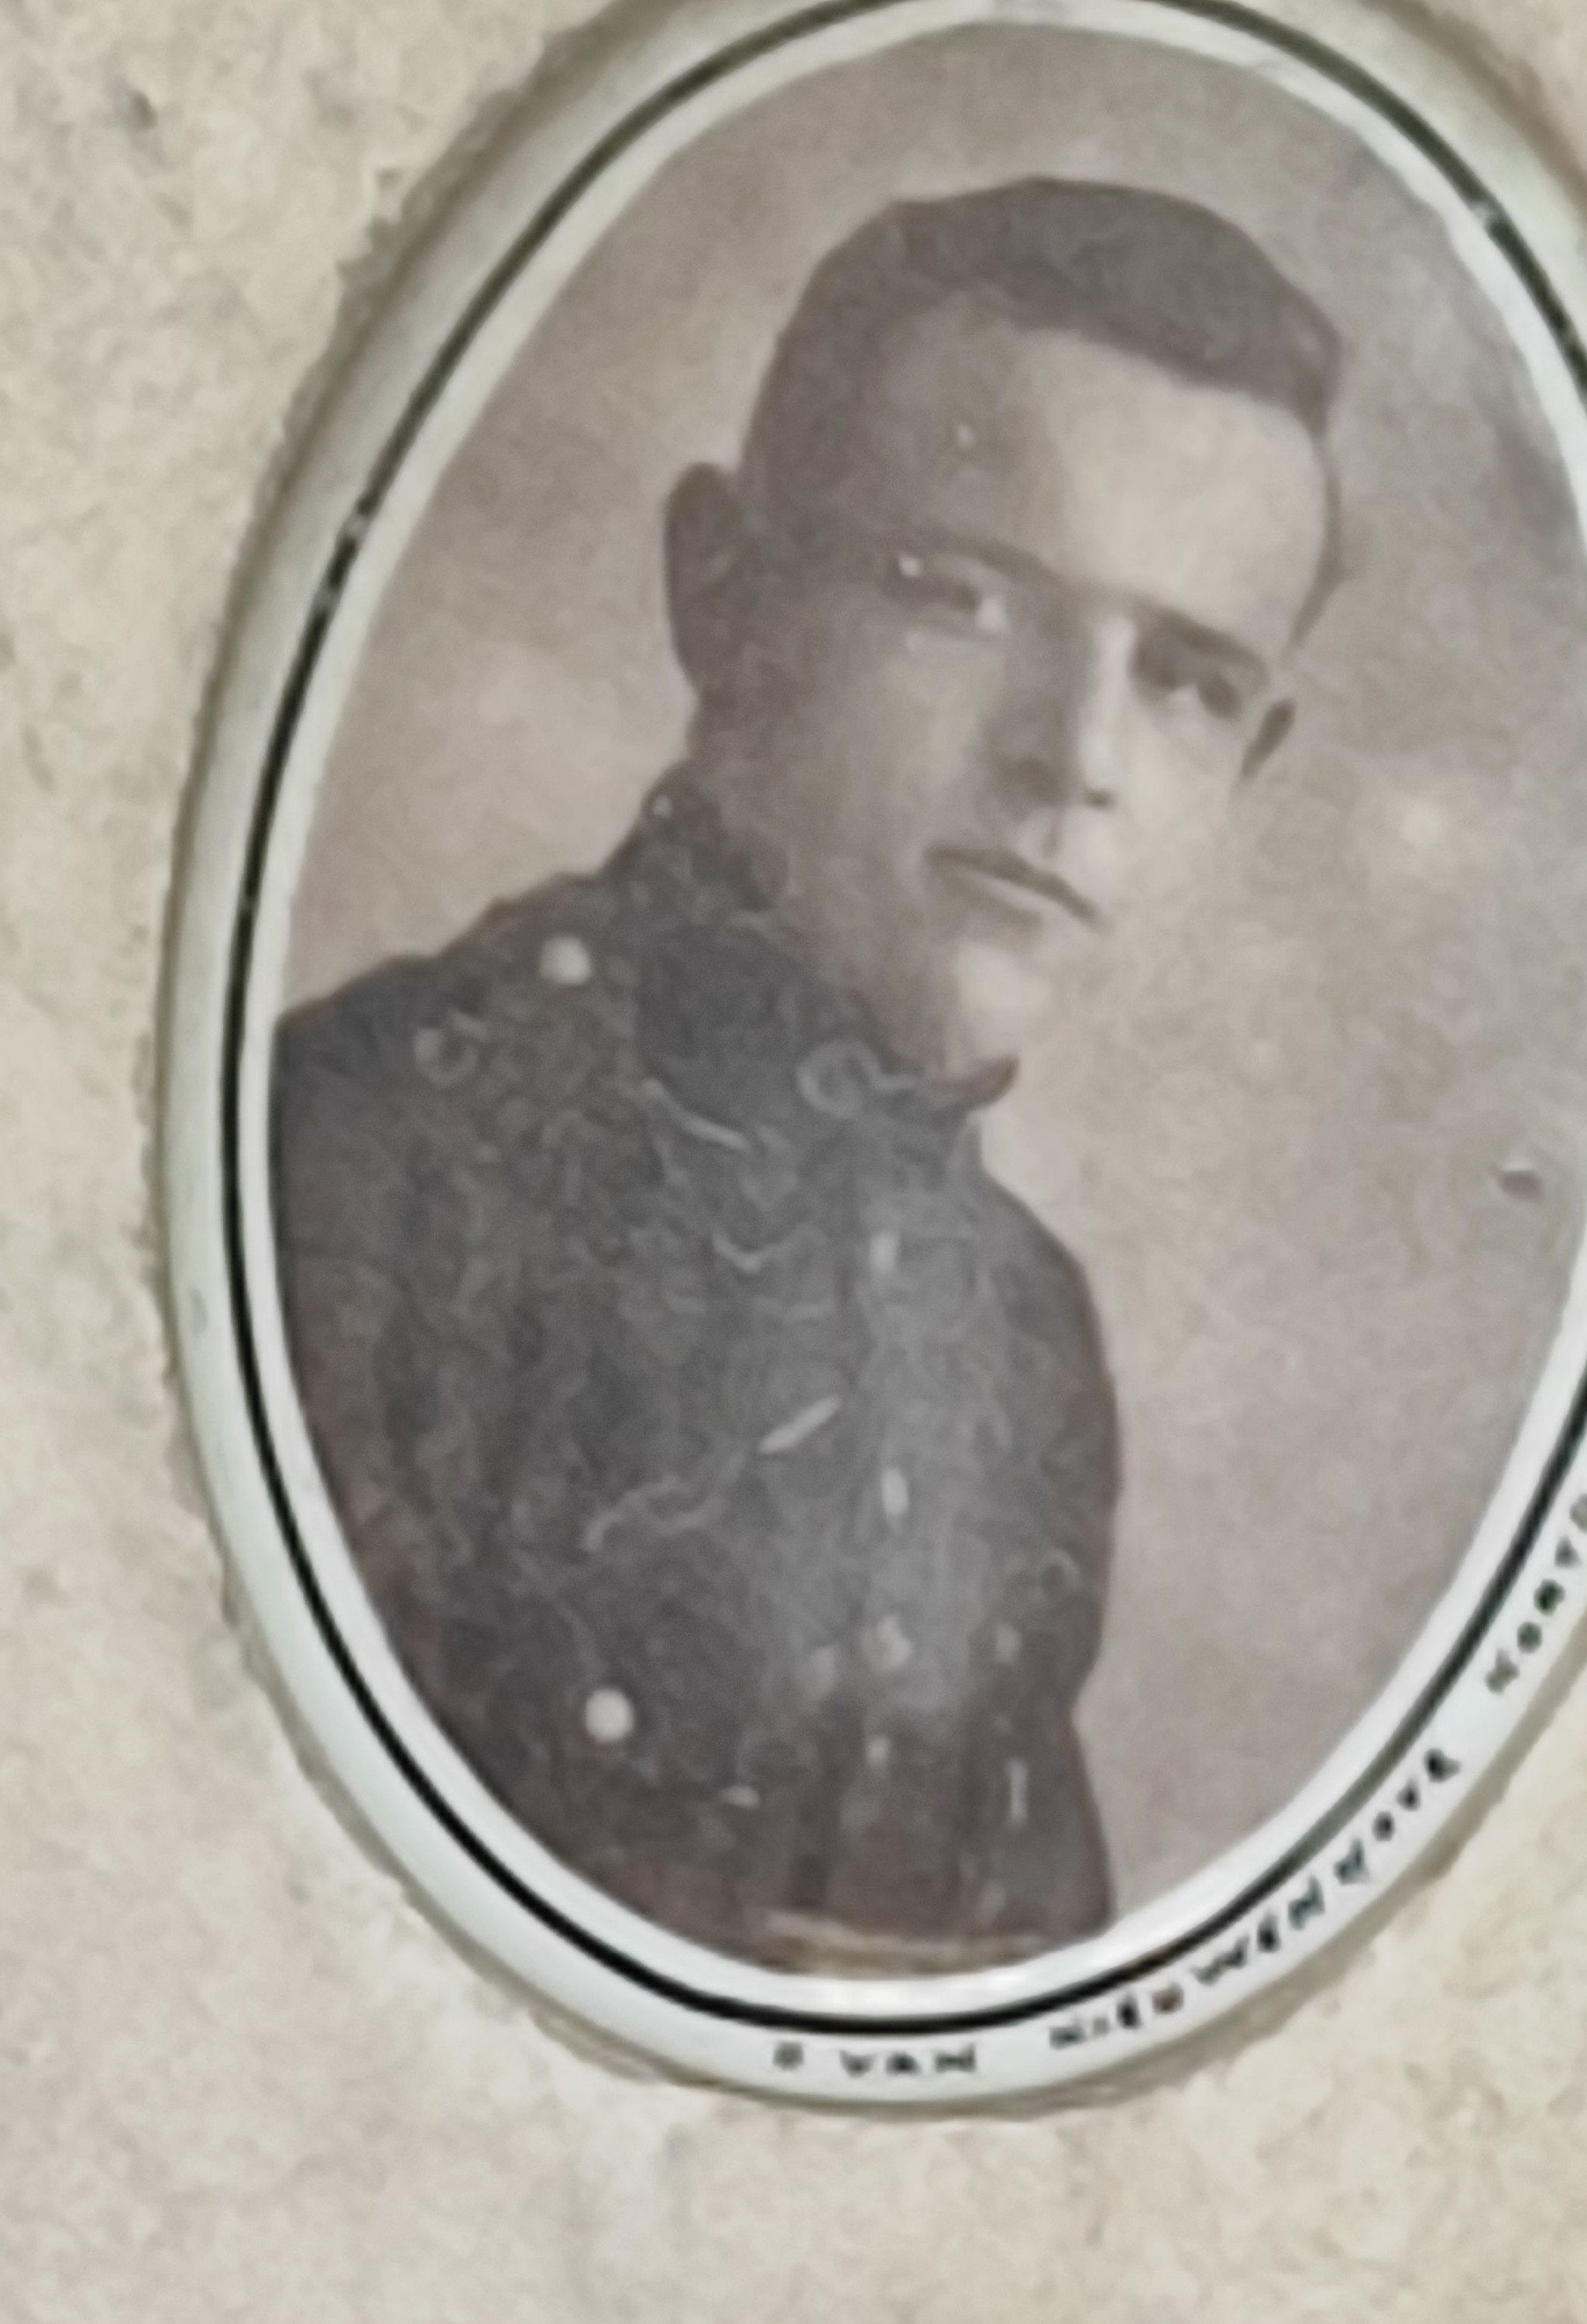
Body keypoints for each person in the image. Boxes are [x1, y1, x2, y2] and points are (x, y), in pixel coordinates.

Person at [272, 177, 1341, 1972]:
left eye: (1187, 679)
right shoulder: (350, 1164)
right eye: (960, 595)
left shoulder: (1024, 1331)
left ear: (1258, 757)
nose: (1073, 756)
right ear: (722, 590)